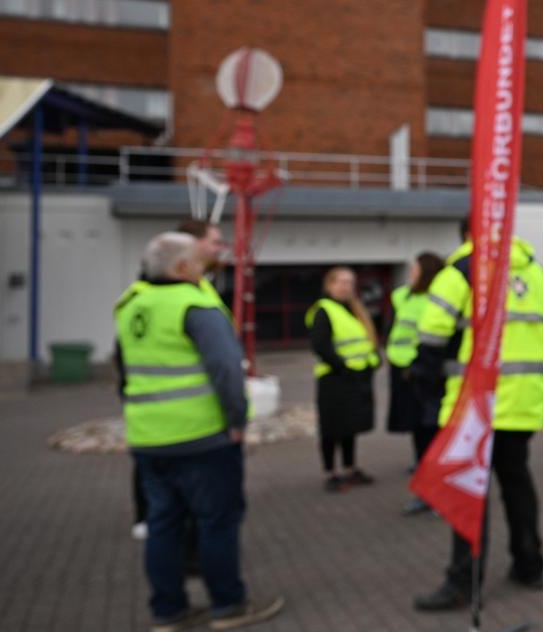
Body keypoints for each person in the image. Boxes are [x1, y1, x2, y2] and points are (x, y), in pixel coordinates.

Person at [117, 232, 283, 631]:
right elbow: (227, 369)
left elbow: (123, 368)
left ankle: (167, 610)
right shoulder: (195, 305)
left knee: (163, 523)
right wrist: (237, 420)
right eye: (198, 260)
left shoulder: (131, 304)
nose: (205, 266)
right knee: (217, 522)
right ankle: (228, 604)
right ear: (181, 268)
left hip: (148, 438)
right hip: (201, 436)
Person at [413, 223, 543, 611]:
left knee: (469, 492)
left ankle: (463, 581)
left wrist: (426, 391)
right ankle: (530, 565)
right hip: (524, 401)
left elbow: (430, 338)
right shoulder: (535, 270)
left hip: (476, 403)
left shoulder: (460, 270)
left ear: (466, 234)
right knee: (516, 482)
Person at [119, 218, 229, 541]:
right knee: (188, 507)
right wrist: (236, 416)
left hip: (162, 415)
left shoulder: (195, 284)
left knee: (168, 510)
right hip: (188, 420)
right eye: (214, 241)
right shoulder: (172, 290)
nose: (219, 248)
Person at [306, 266, 380, 493]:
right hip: (334, 379)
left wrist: (373, 359)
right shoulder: (324, 310)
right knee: (331, 429)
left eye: (350, 282)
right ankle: (331, 473)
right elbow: (320, 346)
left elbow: (364, 341)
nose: (346, 286)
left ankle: (350, 468)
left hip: (356, 377)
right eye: (341, 282)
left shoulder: (354, 309)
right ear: (329, 285)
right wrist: (343, 367)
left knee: (350, 426)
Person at [386, 251, 445, 514]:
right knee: (419, 434)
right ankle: (425, 491)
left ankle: (437, 495)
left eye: (415, 268)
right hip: (404, 372)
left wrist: (418, 368)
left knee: (431, 434)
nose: (410, 272)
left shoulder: (436, 301)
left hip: (425, 375)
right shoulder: (405, 297)